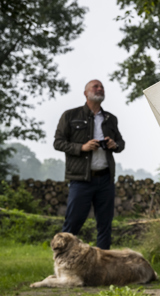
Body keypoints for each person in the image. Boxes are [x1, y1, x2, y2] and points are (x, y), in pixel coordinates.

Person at [54, 79, 125, 250]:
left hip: (105, 180)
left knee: (105, 226)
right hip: (81, 180)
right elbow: (58, 143)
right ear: (86, 93)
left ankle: (103, 269)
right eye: (95, 86)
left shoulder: (110, 119)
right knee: (73, 224)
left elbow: (121, 143)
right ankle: (63, 266)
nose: (100, 89)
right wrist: (82, 147)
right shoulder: (70, 116)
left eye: (102, 87)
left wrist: (114, 145)